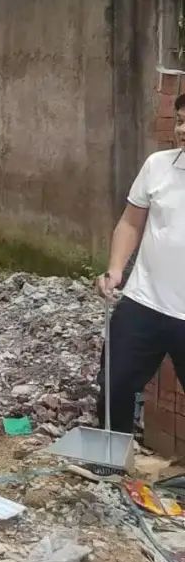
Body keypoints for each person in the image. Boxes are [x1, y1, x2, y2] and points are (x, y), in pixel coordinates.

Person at [97, 93, 185, 430]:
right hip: (144, 301)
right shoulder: (158, 165)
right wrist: (115, 270)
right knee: (113, 385)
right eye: (179, 119)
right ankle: (112, 463)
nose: (182, 129)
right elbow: (131, 223)